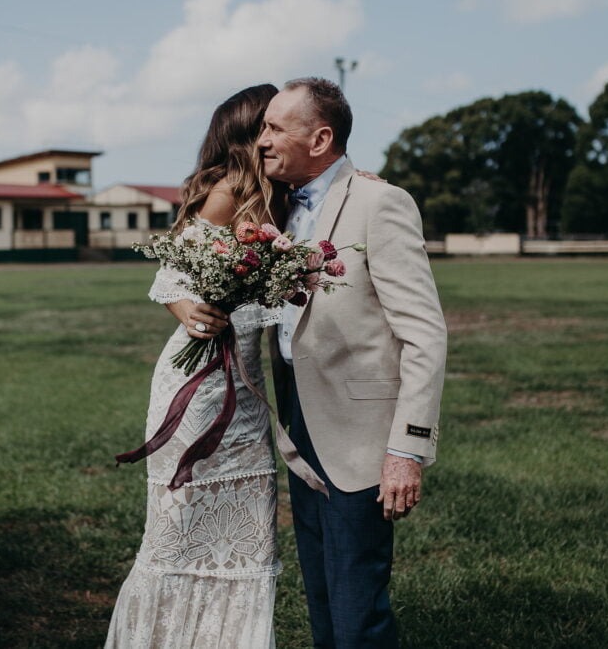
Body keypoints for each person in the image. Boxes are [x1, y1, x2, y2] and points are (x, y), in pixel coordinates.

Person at [258, 77, 447, 648]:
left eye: (274, 129)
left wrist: (406, 450)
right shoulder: (278, 206)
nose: (262, 140)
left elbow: (424, 334)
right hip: (298, 413)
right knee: (320, 591)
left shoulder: (379, 202)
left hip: (361, 432)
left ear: (320, 139)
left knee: (355, 603)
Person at [104, 84, 284, 648]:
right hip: (203, 383)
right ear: (251, 132)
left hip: (246, 389)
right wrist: (187, 308)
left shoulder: (279, 193)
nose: (279, 135)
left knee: (246, 538)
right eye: (271, 124)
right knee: (180, 535)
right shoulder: (229, 192)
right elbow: (173, 273)